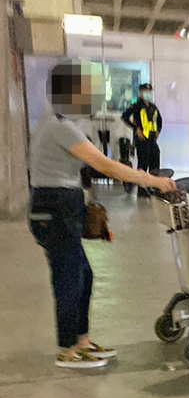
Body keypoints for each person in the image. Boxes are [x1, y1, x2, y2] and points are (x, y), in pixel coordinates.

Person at [29, 61, 176, 369]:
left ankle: (81, 341)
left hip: (62, 205)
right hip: (53, 208)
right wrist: (150, 180)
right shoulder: (59, 125)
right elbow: (104, 165)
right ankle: (67, 348)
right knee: (69, 279)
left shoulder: (60, 122)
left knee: (83, 275)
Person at [122, 83, 163, 197]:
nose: (148, 94)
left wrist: (158, 131)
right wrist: (136, 129)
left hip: (152, 138)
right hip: (142, 139)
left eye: (149, 92)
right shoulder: (136, 106)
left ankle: (153, 186)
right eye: (145, 91)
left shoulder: (153, 107)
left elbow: (159, 120)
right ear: (140, 93)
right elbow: (125, 117)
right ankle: (141, 189)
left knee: (155, 159)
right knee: (143, 163)